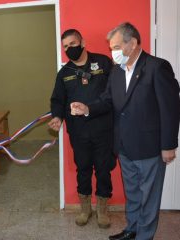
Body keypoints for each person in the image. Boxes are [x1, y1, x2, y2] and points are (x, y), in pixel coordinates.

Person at [71, 22, 180, 240]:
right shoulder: (117, 72)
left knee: (149, 196)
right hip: (123, 145)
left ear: (132, 44)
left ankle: (144, 236)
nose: (113, 52)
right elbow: (107, 100)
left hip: (150, 146)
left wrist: (169, 145)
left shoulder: (157, 67)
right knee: (132, 193)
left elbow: (170, 109)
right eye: (111, 47)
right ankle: (132, 229)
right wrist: (87, 109)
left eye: (116, 46)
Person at [49, 29, 115, 228]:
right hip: (79, 132)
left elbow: (113, 95)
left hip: (103, 129)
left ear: (83, 42)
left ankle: (102, 210)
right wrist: (57, 117)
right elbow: (57, 100)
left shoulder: (103, 63)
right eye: (66, 46)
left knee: (104, 169)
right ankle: (85, 209)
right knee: (83, 169)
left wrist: (91, 109)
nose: (70, 48)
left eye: (73, 43)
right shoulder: (64, 73)